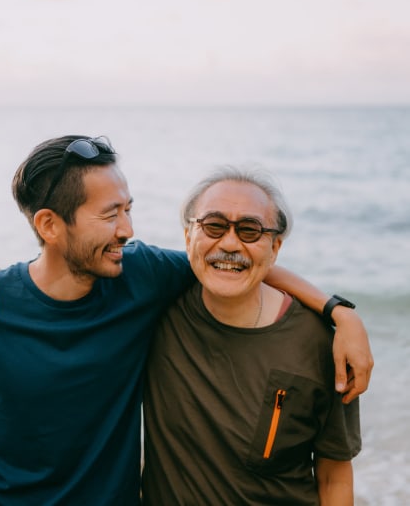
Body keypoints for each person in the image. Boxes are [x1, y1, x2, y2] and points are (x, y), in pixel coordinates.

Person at [0, 136, 371, 505]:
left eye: (128, 209)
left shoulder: (140, 275)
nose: (128, 230)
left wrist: (338, 311)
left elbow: (232, 258)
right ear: (50, 225)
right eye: (111, 215)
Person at [142, 166, 361, 505]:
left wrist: (341, 314)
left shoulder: (321, 344)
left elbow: (334, 477)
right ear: (188, 237)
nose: (229, 243)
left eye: (250, 230)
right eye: (213, 226)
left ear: (275, 248)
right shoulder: (154, 309)